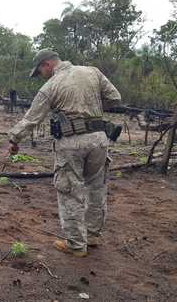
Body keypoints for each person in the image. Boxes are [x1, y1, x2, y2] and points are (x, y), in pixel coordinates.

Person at [7, 49, 121, 257]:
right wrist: (91, 107)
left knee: (70, 191)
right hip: (99, 139)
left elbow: (31, 119)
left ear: (47, 65)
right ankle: (93, 236)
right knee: (96, 189)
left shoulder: (50, 86)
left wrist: (14, 139)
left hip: (71, 143)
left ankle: (76, 244)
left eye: (40, 70)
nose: (41, 75)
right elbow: (115, 97)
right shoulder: (92, 72)